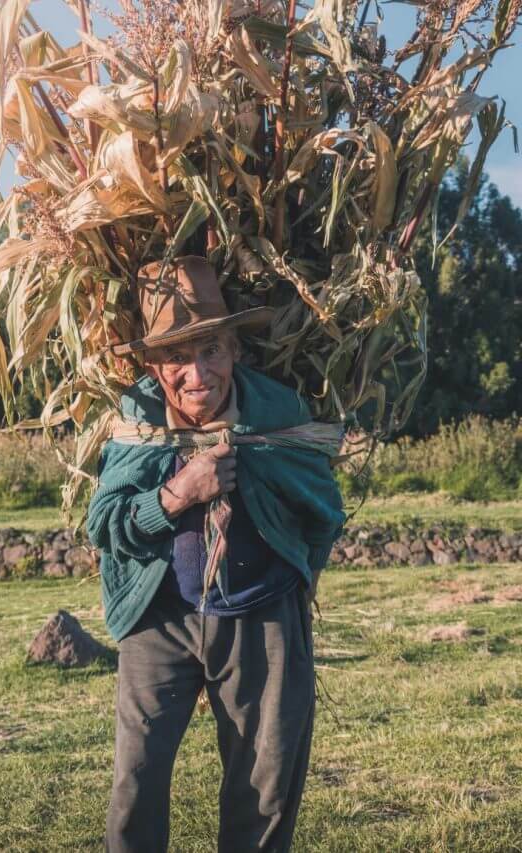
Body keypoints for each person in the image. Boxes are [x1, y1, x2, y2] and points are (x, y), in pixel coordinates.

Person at [87, 256, 345, 853]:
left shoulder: (276, 413)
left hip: (261, 615)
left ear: (235, 350)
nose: (197, 373)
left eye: (211, 350)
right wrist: (178, 494)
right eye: (177, 357)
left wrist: (295, 584)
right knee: (136, 783)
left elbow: (323, 509)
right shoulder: (138, 418)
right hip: (159, 617)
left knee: (265, 786)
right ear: (154, 366)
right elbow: (106, 527)